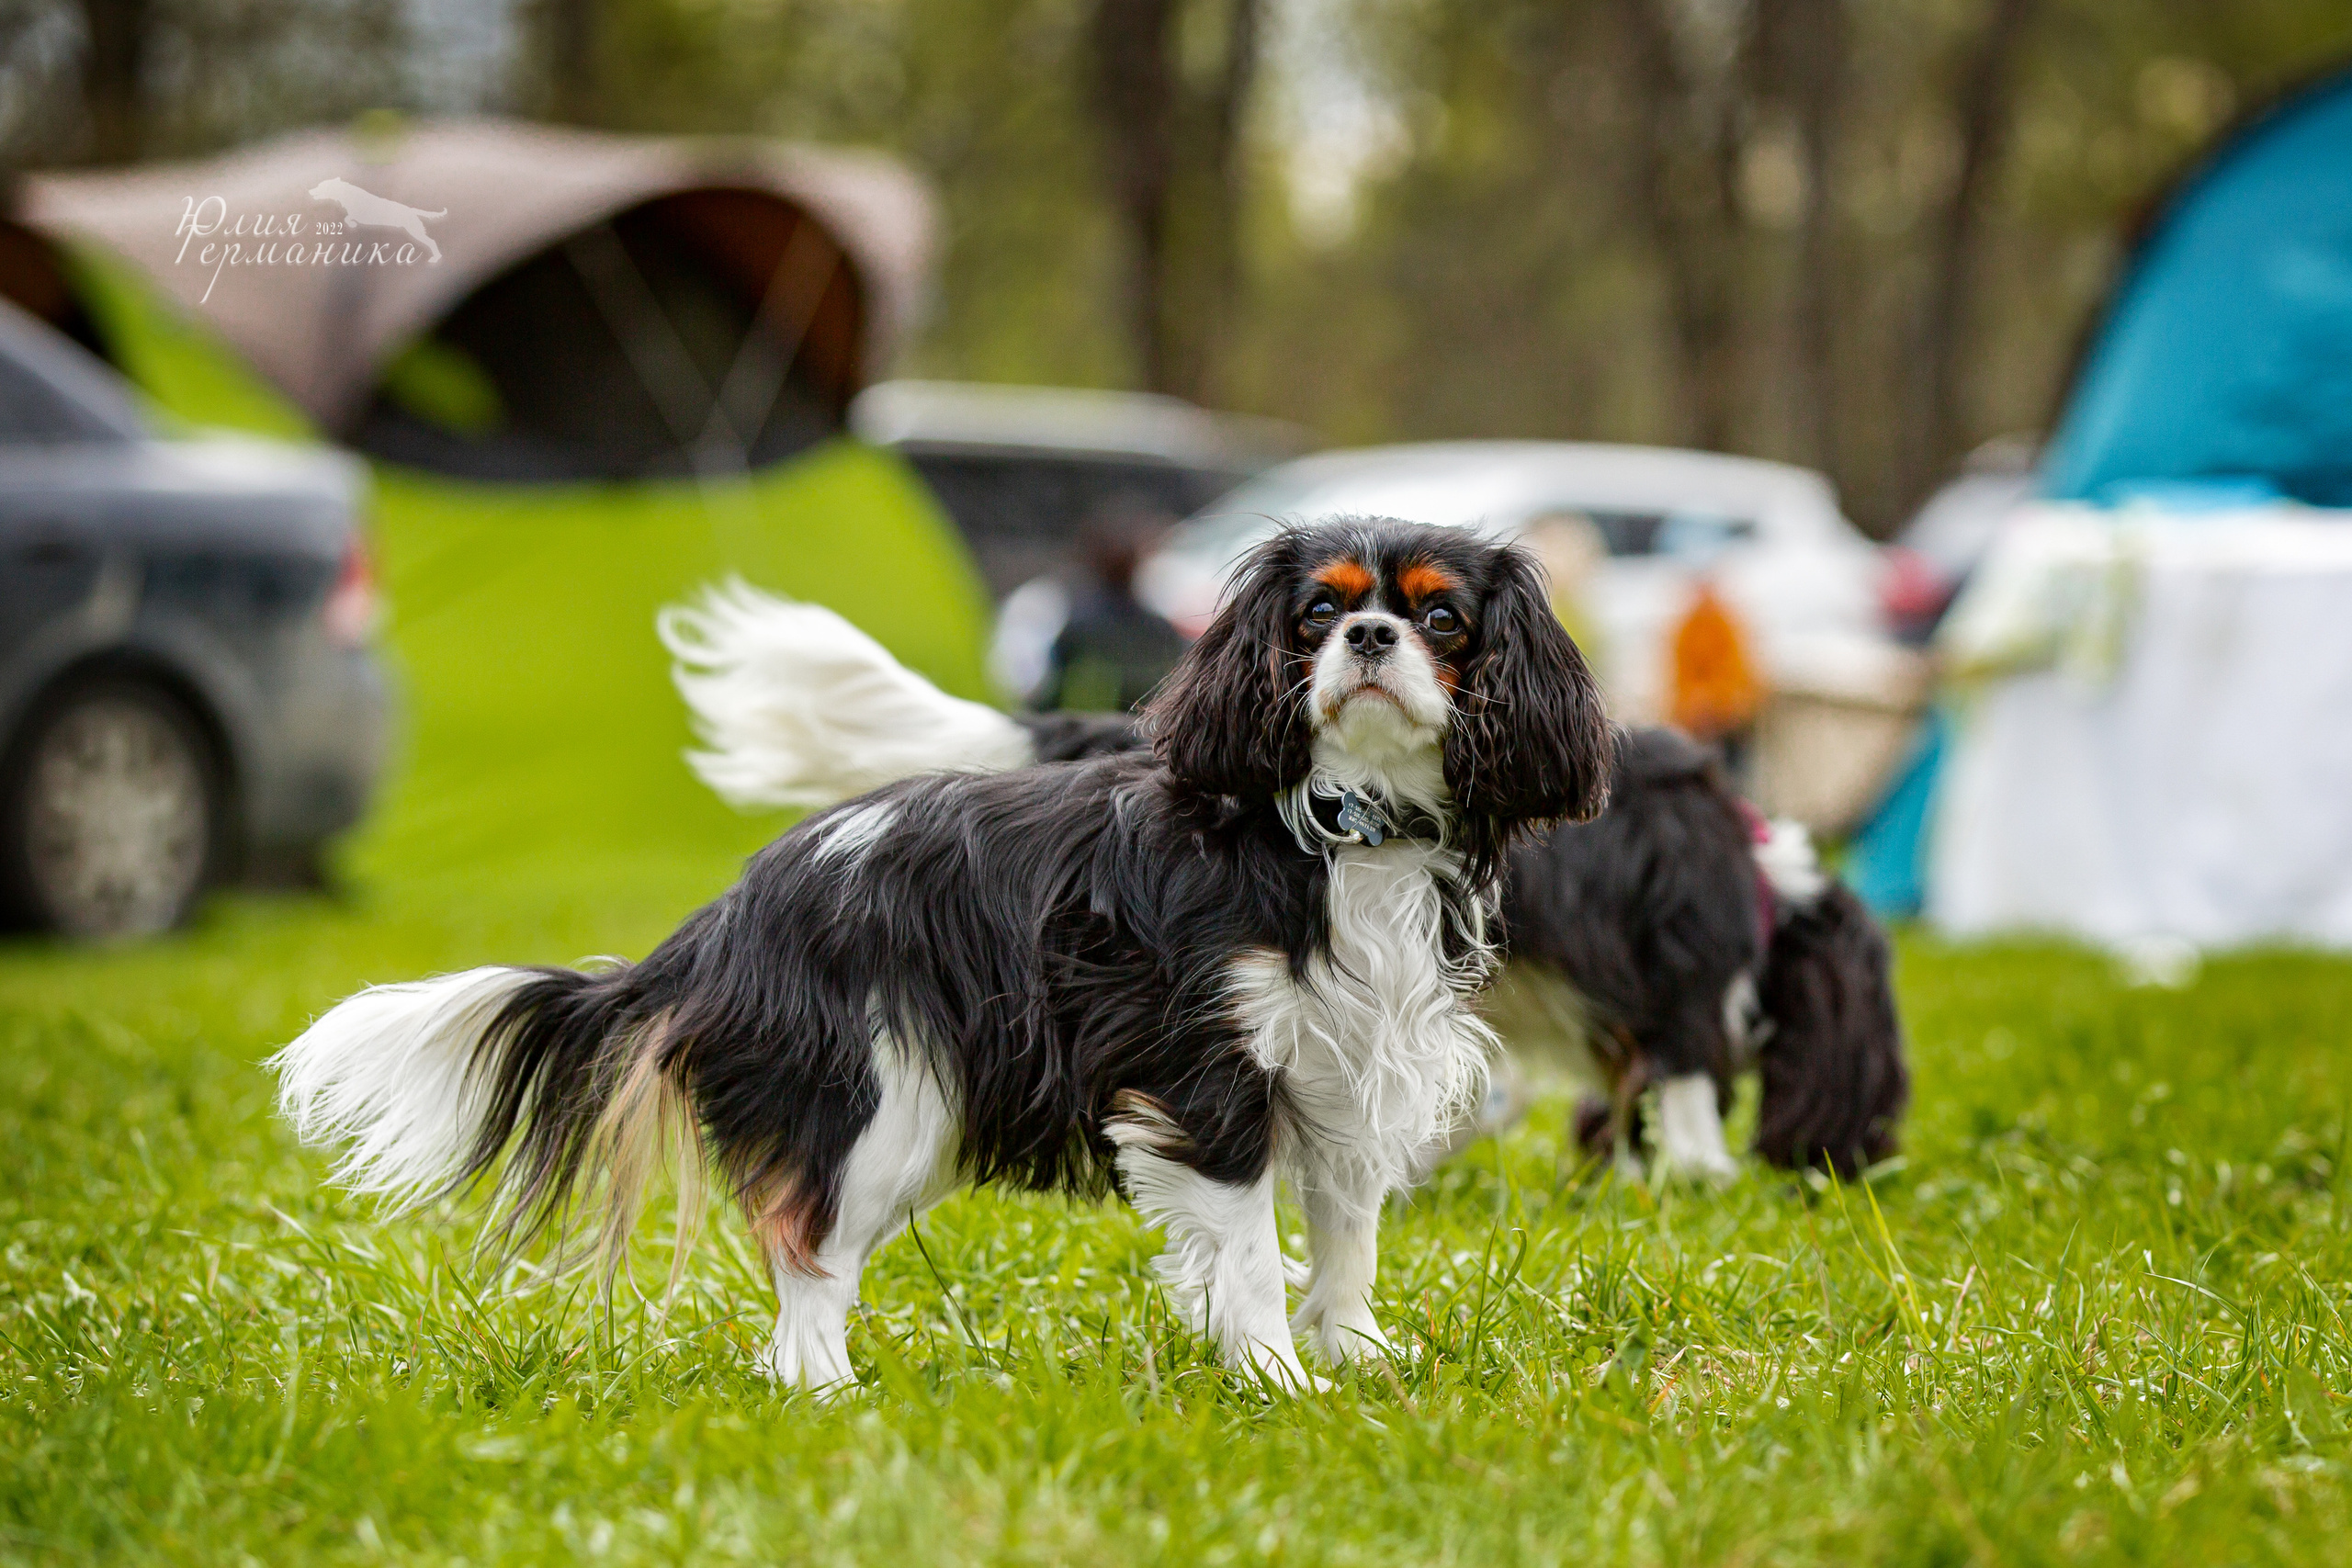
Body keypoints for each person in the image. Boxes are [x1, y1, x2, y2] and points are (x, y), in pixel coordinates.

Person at [991, 495, 1192, 713]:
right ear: (1138, 564)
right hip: (1141, 736)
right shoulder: (1161, 630)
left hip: (1090, 736)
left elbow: (1046, 694)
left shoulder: (1076, 627)